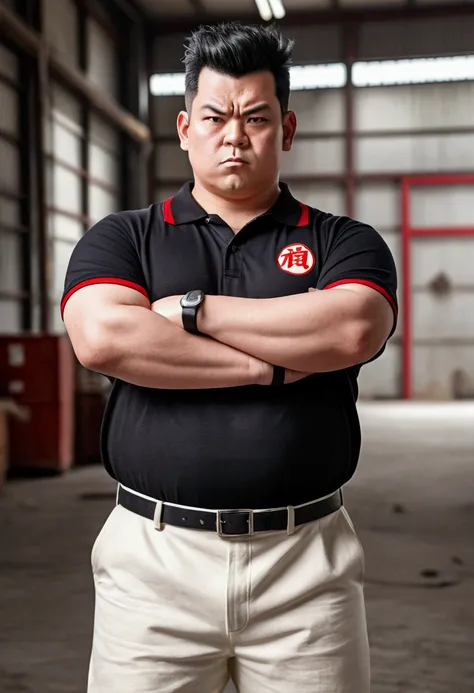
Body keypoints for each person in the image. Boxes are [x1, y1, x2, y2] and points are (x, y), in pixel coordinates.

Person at [62, 21, 397, 693]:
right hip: (153, 564)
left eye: (256, 118)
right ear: (185, 128)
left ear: (289, 129)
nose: (234, 135)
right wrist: (269, 364)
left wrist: (193, 311)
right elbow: (105, 338)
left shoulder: (343, 241)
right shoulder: (123, 238)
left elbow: (351, 328)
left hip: (307, 565)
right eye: (214, 117)